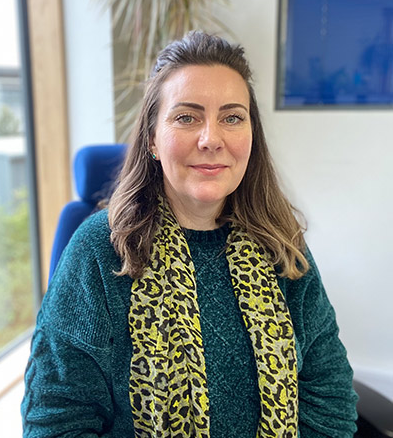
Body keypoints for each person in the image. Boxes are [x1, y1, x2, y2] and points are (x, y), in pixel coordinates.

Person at [21, 31, 358, 437]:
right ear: (152, 140)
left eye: (232, 117)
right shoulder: (99, 250)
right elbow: (57, 420)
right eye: (186, 117)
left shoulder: (281, 242)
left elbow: (330, 400)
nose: (211, 139)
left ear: (251, 137)